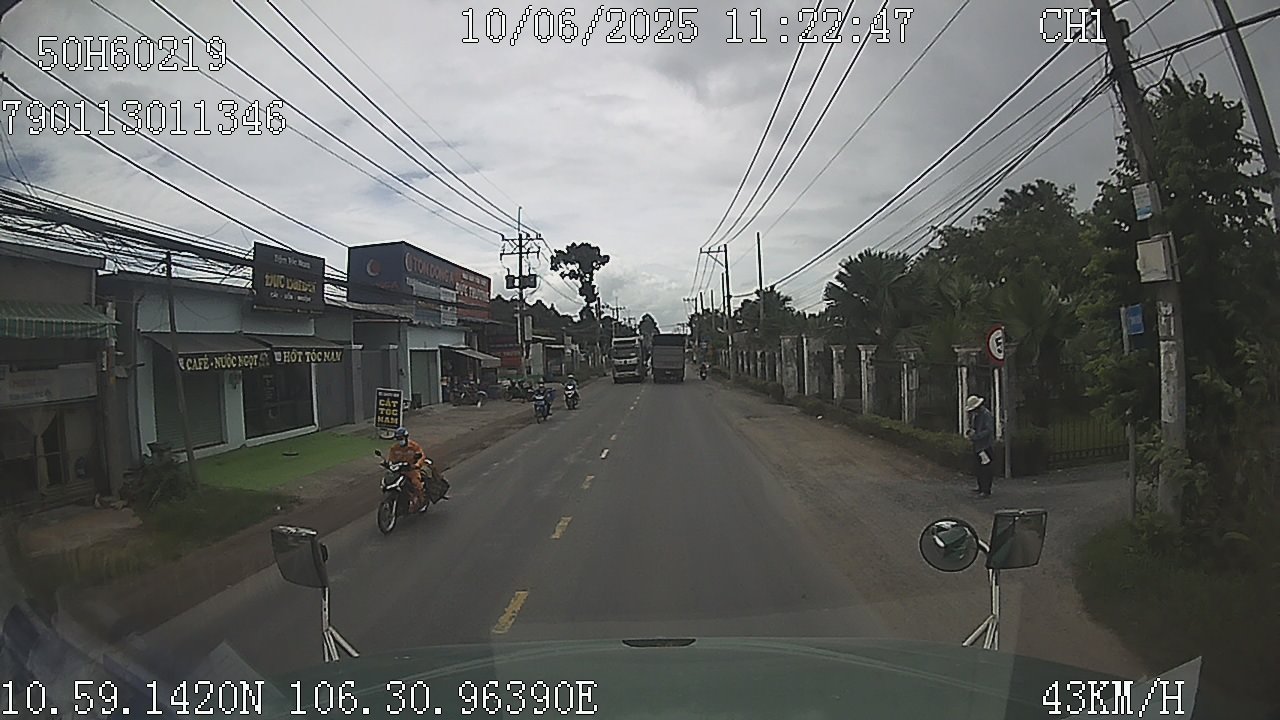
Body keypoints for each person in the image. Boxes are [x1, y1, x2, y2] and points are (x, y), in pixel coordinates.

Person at [388, 426, 429, 511]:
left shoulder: (414, 446)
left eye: (401, 438)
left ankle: (422, 501)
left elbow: (421, 456)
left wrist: (417, 464)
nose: (400, 440)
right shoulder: (394, 448)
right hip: (399, 470)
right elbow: (391, 459)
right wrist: (388, 464)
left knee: (416, 483)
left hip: (411, 470)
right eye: (398, 439)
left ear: (406, 438)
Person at [964, 395, 996, 497]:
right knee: (979, 468)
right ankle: (981, 487)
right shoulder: (976, 416)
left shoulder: (986, 415)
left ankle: (986, 490)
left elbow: (988, 430)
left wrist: (976, 436)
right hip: (978, 446)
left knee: (986, 469)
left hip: (986, 446)